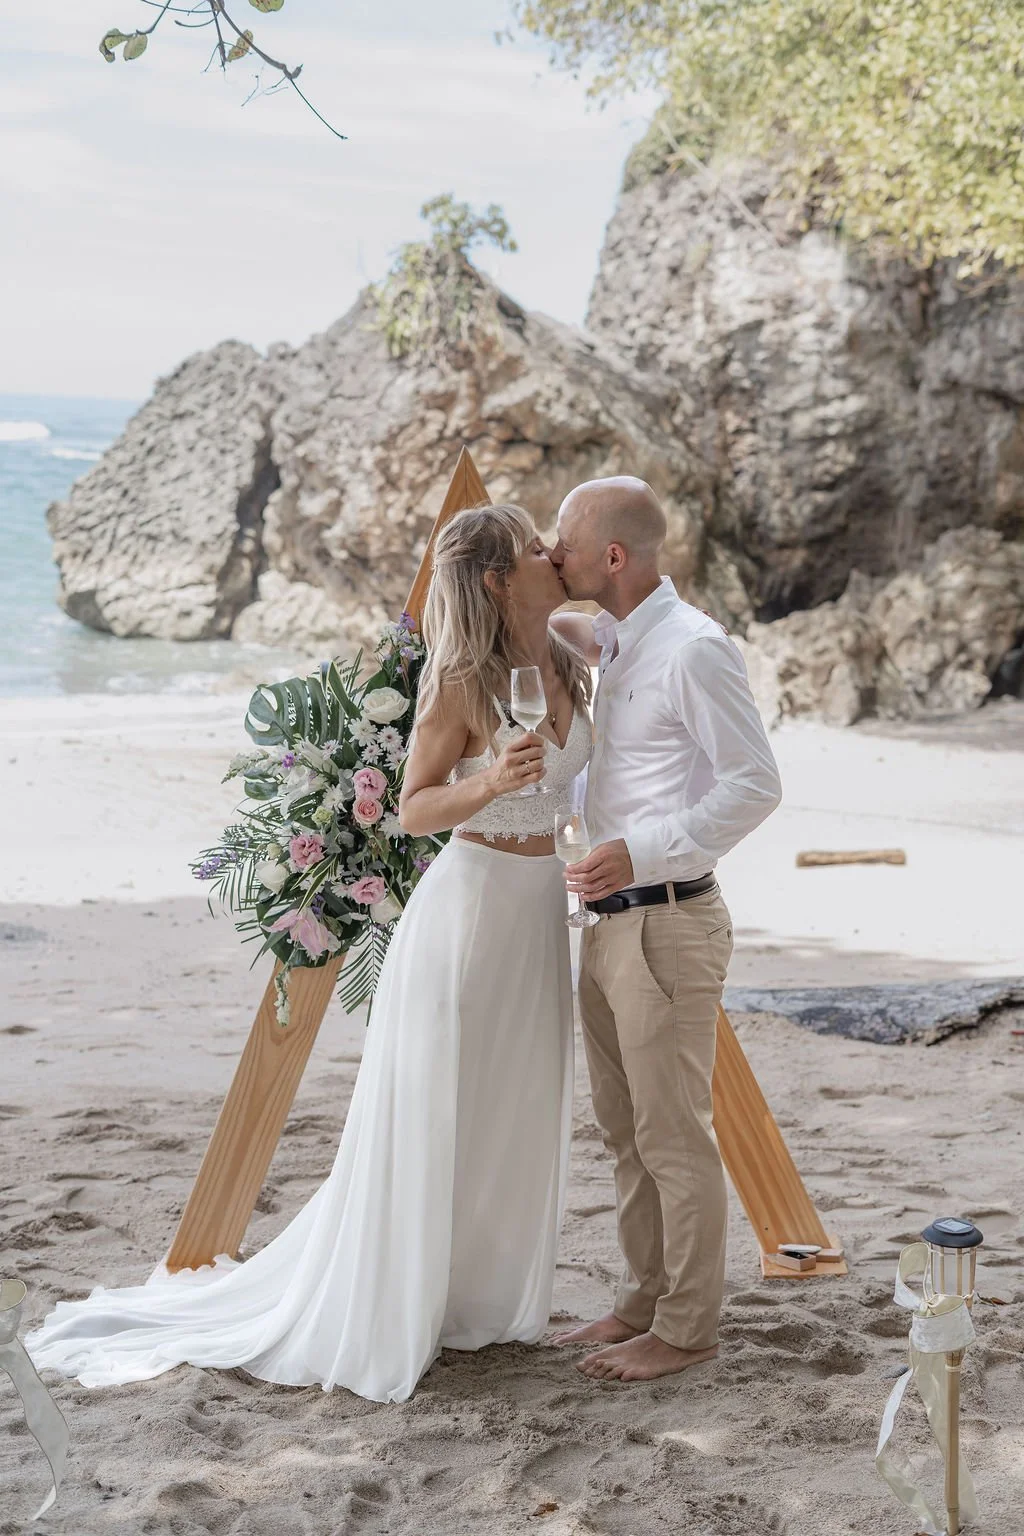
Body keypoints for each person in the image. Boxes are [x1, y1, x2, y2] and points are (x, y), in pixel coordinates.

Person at [25, 504, 592, 1405]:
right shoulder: (459, 682)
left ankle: (475, 1297)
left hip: (536, 917)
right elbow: (411, 809)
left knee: (514, 1104)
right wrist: (489, 781)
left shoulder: (569, 660)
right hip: (471, 912)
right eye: (532, 548)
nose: (549, 554)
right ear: (495, 579)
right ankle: (403, 1298)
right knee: (444, 1108)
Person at [548, 476, 782, 1383]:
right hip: (606, 926)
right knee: (625, 1130)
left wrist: (640, 852)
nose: (551, 550)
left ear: (611, 555)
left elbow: (754, 785)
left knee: (674, 1135)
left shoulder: (692, 650)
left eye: (563, 537)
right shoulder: (613, 640)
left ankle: (688, 1329)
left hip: (668, 923)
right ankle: (643, 1300)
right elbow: (551, 621)